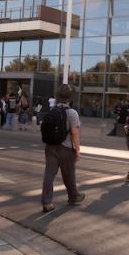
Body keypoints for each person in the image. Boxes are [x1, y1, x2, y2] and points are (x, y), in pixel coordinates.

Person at [40, 84, 85, 213]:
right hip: (65, 148)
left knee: (49, 175)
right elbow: (74, 133)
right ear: (70, 98)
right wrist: (77, 150)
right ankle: (73, 197)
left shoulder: (52, 111)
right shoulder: (72, 113)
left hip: (50, 147)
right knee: (69, 175)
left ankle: (47, 202)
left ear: (58, 98)